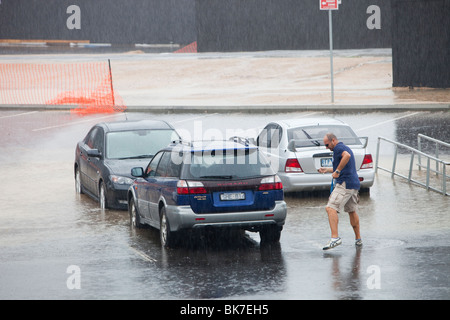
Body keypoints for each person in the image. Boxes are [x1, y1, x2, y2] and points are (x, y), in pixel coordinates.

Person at [318, 133, 362, 250]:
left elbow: (346, 156)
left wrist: (337, 171)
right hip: (353, 184)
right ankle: (358, 239)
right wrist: (328, 170)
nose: (326, 147)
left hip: (345, 184)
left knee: (330, 208)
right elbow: (344, 165)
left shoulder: (338, 148)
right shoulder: (344, 147)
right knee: (352, 211)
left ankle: (335, 238)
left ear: (333, 140)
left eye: (327, 145)